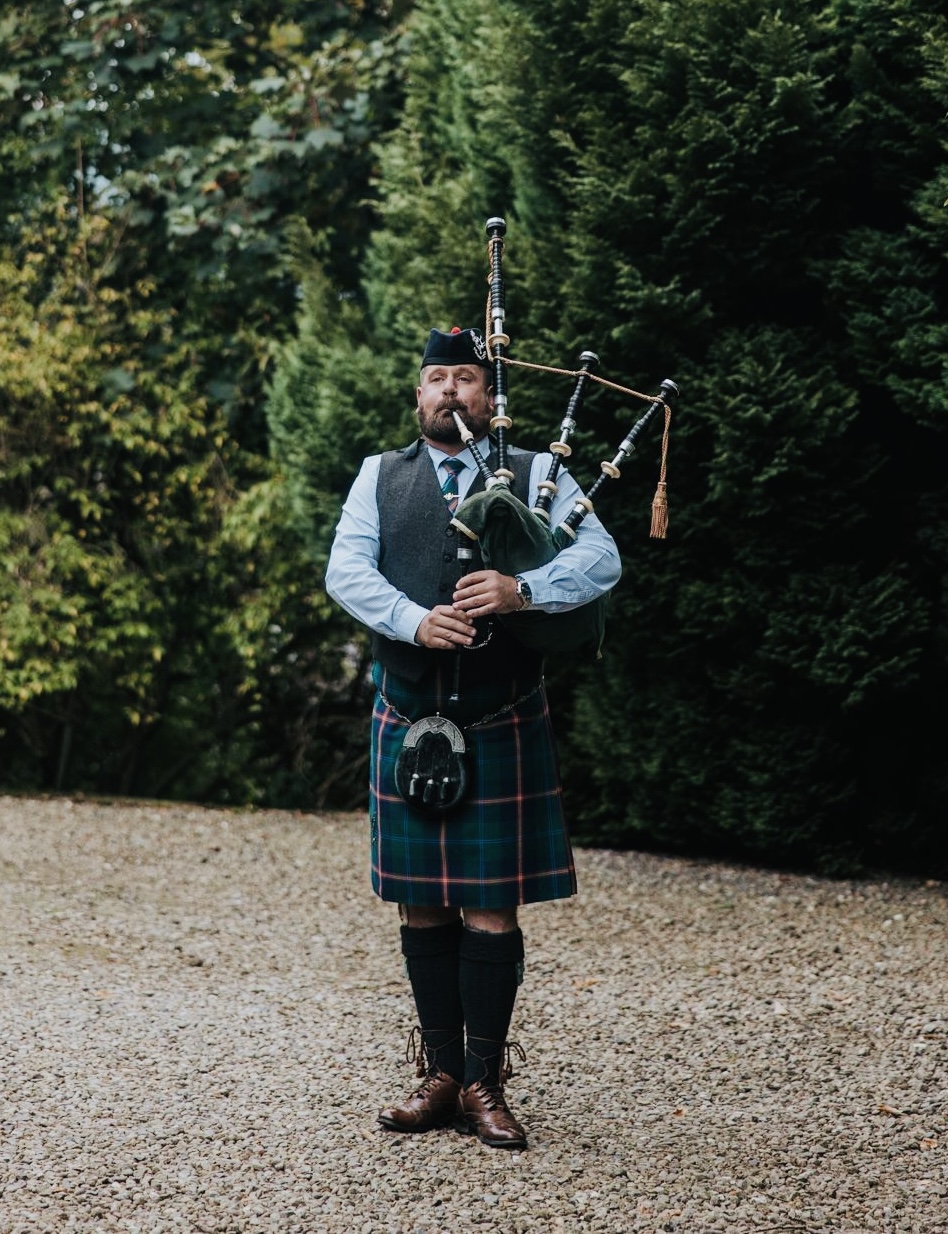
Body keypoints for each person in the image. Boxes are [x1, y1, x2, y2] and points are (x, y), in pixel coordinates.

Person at [325, 326, 621, 1150]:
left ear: (490, 397)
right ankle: (441, 1076)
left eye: (466, 379)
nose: (450, 391)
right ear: (417, 394)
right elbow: (346, 571)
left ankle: (487, 1081)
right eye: (436, 378)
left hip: (500, 716)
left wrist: (523, 588)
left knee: (490, 906)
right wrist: (413, 621)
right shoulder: (378, 478)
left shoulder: (540, 474)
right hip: (409, 715)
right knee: (422, 904)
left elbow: (602, 561)